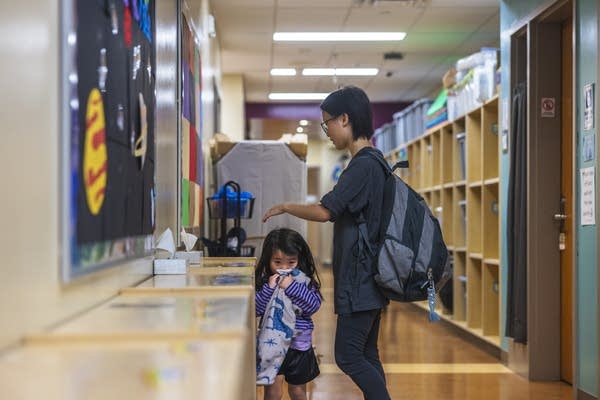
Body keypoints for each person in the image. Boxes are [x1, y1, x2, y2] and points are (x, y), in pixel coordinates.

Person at [262, 85, 391, 399]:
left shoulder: (362, 166)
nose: (328, 131)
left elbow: (325, 211)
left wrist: (285, 206)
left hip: (361, 280)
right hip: (369, 279)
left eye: (327, 123)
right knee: (367, 354)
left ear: (344, 119)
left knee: (348, 355)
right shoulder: (376, 163)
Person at [255, 228, 323, 400]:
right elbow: (256, 309)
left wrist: (292, 287)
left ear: (299, 260)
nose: (284, 268)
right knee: (272, 392)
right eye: (277, 262)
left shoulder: (305, 282)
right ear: (268, 260)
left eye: (291, 262)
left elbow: (313, 306)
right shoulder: (266, 282)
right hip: (272, 345)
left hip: (298, 346)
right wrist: (268, 289)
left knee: (298, 391)